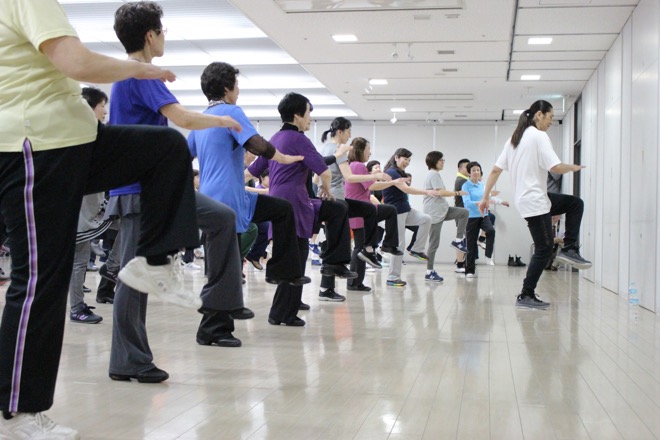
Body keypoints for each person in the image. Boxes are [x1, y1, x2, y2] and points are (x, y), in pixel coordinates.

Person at [0, 0, 204, 437]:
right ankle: (17, 415)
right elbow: (75, 62)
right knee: (38, 280)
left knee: (166, 149)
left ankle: (152, 263)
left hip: (73, 141)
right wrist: (140, 69)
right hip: (37, 147)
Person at [106, 2, 251, 385]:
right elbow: (183, 118)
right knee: (133, 277)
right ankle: (128, 360)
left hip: (156, 187)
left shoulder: (135, 75)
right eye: (162, 30)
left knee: (222, 218)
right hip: (139, 190)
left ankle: (218, 305)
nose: (164, 37)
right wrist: (222, 118)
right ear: (150, 35)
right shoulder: (138, 73)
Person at [248, 92, 357, 325]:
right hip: (294, 201)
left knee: (299, 251)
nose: (310, 119)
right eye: (308, 113)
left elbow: (252, 170)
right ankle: (283, 312)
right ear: (297, 115)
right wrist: (326, 189)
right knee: (295, 255)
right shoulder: (299, 139)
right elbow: (324, 171)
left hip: (284, 200)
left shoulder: (275, 138)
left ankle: (289, 307)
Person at [479, 100, 592, 309]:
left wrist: (485, 198)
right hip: (535, 201)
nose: (551, 122)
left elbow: (495, 170)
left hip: (532, 199)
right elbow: (555, 167)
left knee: (574, 204)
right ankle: (526, 294)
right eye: (550, 117)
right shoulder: (539, 136)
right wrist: (572, 167)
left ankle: (569, 248)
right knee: (544, 248)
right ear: (539, 115)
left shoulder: (513, 140)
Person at [317, 118, 396, 300]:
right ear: (340, 131)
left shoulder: (325, 148)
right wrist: (375, 175)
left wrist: (322, 187)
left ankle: (366, 250)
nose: (349, 135)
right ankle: (328, 286)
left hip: (333, 199)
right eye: (348, 131)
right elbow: (349, 177)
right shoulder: (339, 150)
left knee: (367, 211)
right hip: (336, 202)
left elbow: (318, 175)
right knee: (337, 241)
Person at [68, 87, 113, 324]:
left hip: (92, 205)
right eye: (102, 106)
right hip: (79, 209)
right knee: (79, 259)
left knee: (128, 224)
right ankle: (76, 308)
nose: (105, 111)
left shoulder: (91, 134)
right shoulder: (81, 136)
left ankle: (110, 267)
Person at [344, 137, 406, 291]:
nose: (370, 153)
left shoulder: (354, 165)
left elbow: (371, 185)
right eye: (368, 149)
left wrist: (392, 182)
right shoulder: (358, 166)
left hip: (362, 210)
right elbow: (372, 186)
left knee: (360, 248)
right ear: (361, 150)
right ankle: (387, 245)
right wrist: (392, 182)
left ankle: (355, 282)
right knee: (360, 247)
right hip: (361, 212)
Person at [382, 148, 440, 287]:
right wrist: (427, 192)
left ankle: (416, 249)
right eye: (405, 159)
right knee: (399, 244)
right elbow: (406, 189)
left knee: (426, 219)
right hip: (396, 212)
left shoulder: (399, 172)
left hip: (406, 209)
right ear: (396, 157)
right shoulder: (391, 172)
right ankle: (392, 277)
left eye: (409, 160)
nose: (407, 162)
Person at [422, 151, 468, 282]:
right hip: (435, 213)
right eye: (441, 160)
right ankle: (429, 272)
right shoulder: (433, 174)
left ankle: (458, 240)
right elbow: (441, 192)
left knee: (464, 212)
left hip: (443, 210)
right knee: (434, 244)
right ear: (434, 161)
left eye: (443, 160)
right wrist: (457, 193)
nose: (443, 162)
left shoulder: (435, 174)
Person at [462, 161, 498, 277]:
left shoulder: (482, 185)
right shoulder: (465, 186)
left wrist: (488, 201)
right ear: (469, 173)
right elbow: (467, 203)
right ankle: (469, 270)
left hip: (484, 216)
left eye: (478, 170)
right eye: (474, 170)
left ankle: (488, 256)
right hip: (471, 218)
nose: (476, 172)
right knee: (471, 245)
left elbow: (486, 198)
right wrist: (479, 203)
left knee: (491, 231)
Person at [453, 158, 470, 272]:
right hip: (462, 214)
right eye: (466, 167)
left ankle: (460, 262)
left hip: (461, 213)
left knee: (463, 239)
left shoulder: (462, 179)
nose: (469, 169)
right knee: (461, 239)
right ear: (460, 169)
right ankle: (459, 264)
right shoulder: (462, 181)